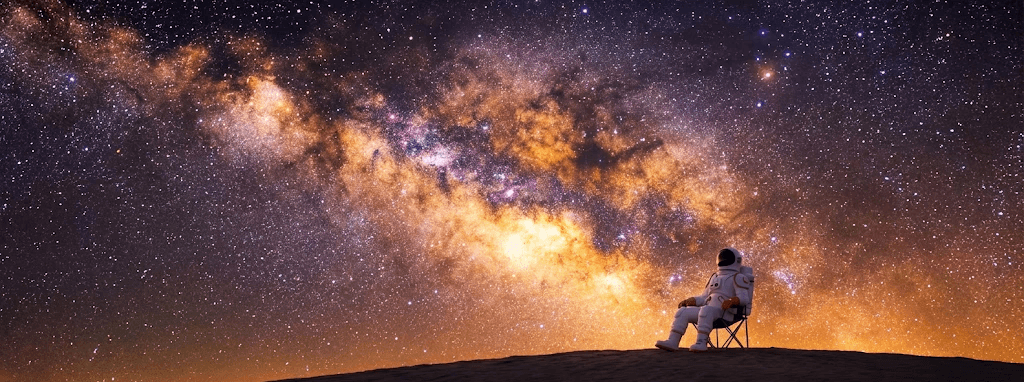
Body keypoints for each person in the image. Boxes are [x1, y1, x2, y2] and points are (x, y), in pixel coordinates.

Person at [655, 247, 753, 352]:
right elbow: (704, 298)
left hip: (727, 313)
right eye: (722, 257)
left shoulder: (738, 277)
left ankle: (701, 342)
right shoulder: (714, 276)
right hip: (710, 311)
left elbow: (744, 299)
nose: (723, 260)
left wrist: (732, 301)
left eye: (726, 257)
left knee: (706, 310)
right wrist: (692, 300)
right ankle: (672, 341)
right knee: (683, 312)